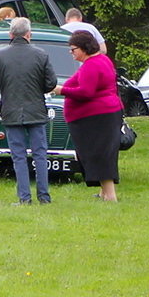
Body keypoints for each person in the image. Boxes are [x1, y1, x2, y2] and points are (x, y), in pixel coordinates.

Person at [0, 16, 55, 204]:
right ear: (28, 34)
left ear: (10, 34)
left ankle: (24, 198)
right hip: (36, 110)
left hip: (11, 110)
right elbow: (51, 83)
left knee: (18, 156)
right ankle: (44, 196)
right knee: (40, 154)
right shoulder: (41, 55)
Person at [54, 30, 122, 201]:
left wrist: (61, 91)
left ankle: (110, 196)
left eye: (73, 49)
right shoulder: (101, 60)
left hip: (97, 116)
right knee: (101, 153)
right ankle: (103, 192)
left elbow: (86, 92)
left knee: (98, 154)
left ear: (84, 48)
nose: (71, 52)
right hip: (105, 113)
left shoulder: (92, 64)